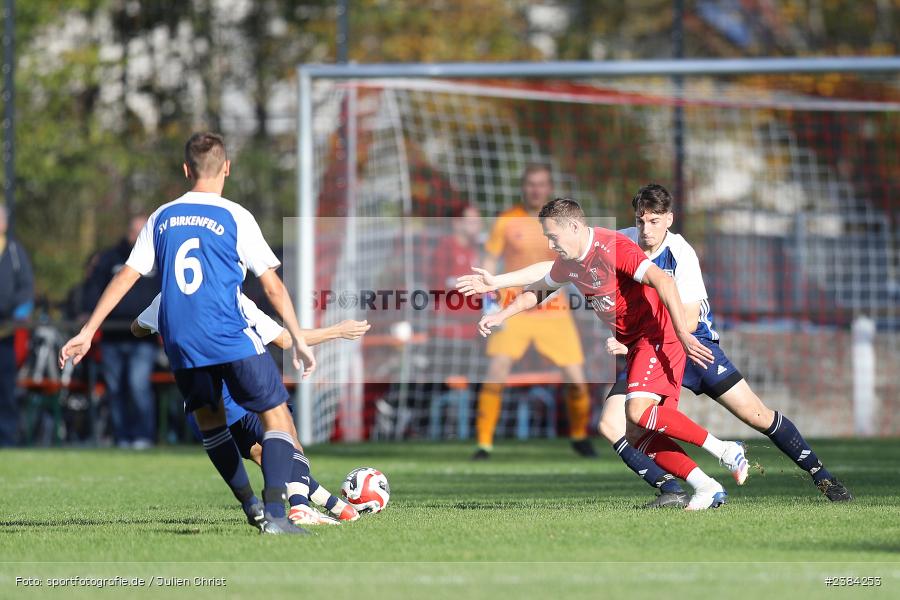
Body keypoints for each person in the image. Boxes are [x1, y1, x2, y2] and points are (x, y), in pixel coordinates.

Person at [60, 132, 316, 534]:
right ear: (226, 168)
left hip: (180, 339)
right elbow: (272, 285)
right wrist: (298, 337)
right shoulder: (235, 215)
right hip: (228, 332)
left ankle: (251, 506)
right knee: (277, 418)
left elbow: (127, 275)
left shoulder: (161, 217)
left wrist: (88, 329)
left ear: (186, 170)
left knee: (212, 424)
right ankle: (277, 514)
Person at [460, 198, 748, 510]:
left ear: (573, 227)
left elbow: (662, 280)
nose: (549, 243)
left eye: (552, 236)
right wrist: (500, 314)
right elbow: (539, 288)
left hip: (657, 337)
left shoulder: (611, 246)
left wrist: (681, 332)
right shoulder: (571, 259)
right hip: (636, 345)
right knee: (615, 425)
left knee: (638, 412)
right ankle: (705, 486)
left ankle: (725, 449)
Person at [602, 184, 851, 502]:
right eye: (641, 221)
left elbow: (689, 320)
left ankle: (823, 478)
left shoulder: (681, 253)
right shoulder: (621, 241)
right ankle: (674, 489)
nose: (645, 229)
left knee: (755, 414)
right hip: (650, 348)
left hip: (694, 346)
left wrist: (634, 340)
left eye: (654, 221)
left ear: (669, 219)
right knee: (625, 424)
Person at [132, 291, 371, 523]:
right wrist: (339, 330)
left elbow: (137, 328)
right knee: (287, 438)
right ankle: (300, 508)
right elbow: (284, 339)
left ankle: (337, 506)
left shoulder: (165, 298)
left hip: (198, 402)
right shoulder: (229, 295)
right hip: (236, 390)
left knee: (261, 453)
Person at [473, 164, 595, 460]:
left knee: (576, 379)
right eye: (530, 184)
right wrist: (490, 304)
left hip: (554, 309)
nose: (535, 190)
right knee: (496, 372)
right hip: (514, 308)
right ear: (523, 187)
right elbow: (489, 261)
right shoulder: (507, 221)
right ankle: (483, 444)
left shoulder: (562, 223)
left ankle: (579, 436)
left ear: (549, 187)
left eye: (541, 184)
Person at [84, 215, 161, 449]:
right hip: (112, 336)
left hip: (143, 338)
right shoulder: (110, 258)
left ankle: (143, 436)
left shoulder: (159, 257)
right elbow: (93, 289)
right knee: (115, 388)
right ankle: (121, 436)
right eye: (135, 230)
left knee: (138, 385)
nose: (139, 235)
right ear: (128, 232)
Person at [0, 205, 34, 447]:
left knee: (5, 388)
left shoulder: (13, 251)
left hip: (5, 333)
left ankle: (8, 437)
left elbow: (26, 288)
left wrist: (17, 312)